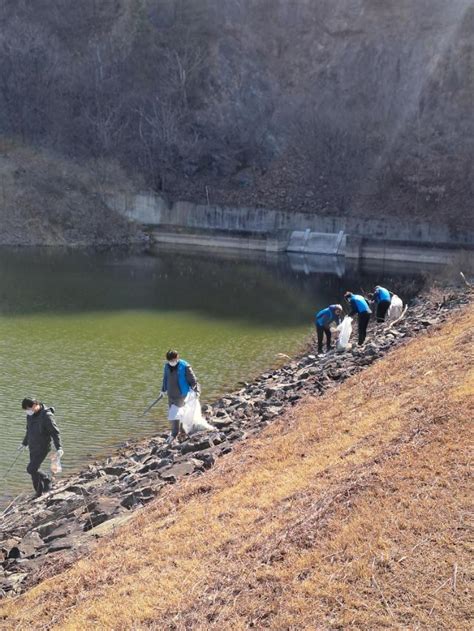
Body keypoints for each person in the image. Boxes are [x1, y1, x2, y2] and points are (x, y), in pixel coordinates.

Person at [20, 398, 63, 497]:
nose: (28, 411)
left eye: (28, 408)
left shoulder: (47, 416)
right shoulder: (30, 416)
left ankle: (47, 478)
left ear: (35, 404)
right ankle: (38, 493)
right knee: (34, 473)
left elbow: (55, 432)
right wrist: (24, 443)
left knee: (31, 469)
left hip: (42, 447)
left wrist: (59, 447)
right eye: (26, 409)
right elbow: (29, 431)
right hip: (32, 446)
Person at [161, 350, 200, 443]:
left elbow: (193, 380)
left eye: (173, 360)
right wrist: (163, 390)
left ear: (177, 358)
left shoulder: (185, 366)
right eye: (170, 361)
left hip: (181, 394)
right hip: (171, 395)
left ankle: (176, 434)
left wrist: (196, 391)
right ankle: (178, 433)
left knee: (178, 414)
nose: (172, 362)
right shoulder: (167, 366)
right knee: (174, 414)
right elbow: (165, 378)